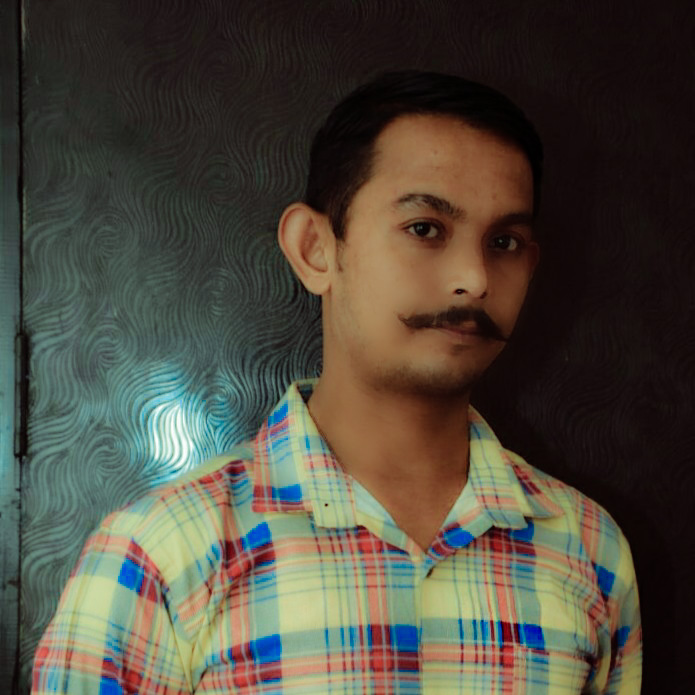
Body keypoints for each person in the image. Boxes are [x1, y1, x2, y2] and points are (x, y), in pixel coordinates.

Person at [32, 71, 641, 694]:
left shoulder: (589, 551)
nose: (475, 278)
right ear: (315, 249)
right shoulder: (160, 555)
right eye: (425, 228)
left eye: (504, 242)